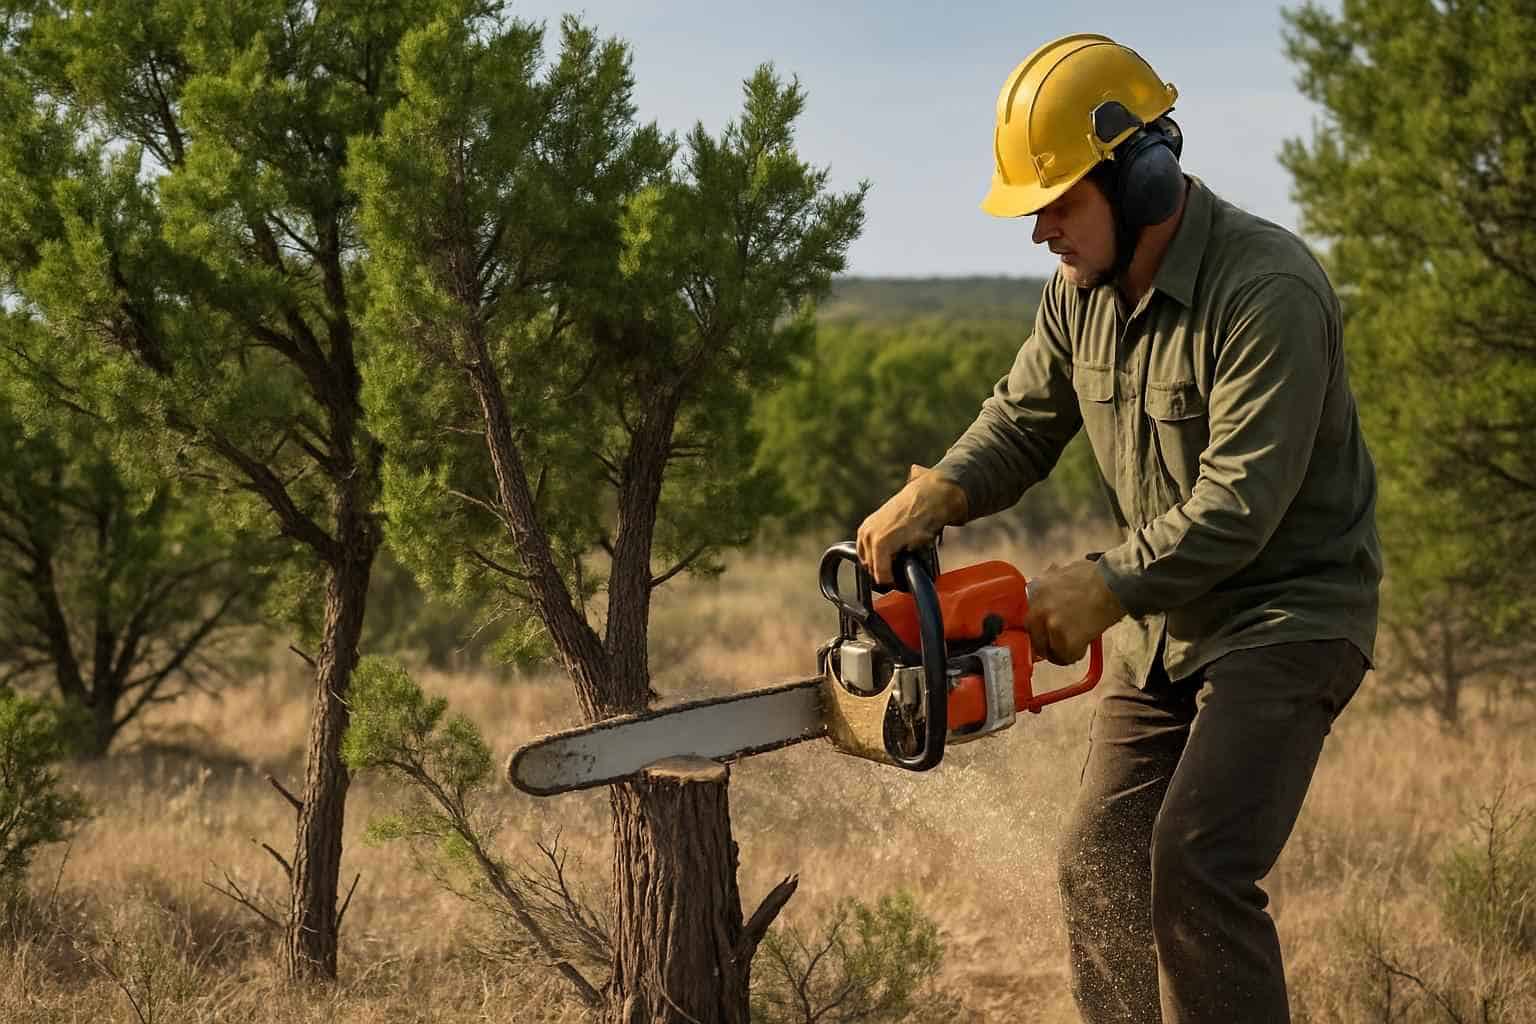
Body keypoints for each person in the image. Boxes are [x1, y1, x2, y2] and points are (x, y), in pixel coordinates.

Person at [854, 33, 1382, 1024]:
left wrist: (1106, 584)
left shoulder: (1268, 291)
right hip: (1166, 627)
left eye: (1056, 202)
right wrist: (942, 492)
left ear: (1140, 178)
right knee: (1096, 862)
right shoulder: (1078, 296)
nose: (1041, 230)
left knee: (1194, 864)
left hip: (1288, 614)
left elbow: (1239, 502)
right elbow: (1020, 420)